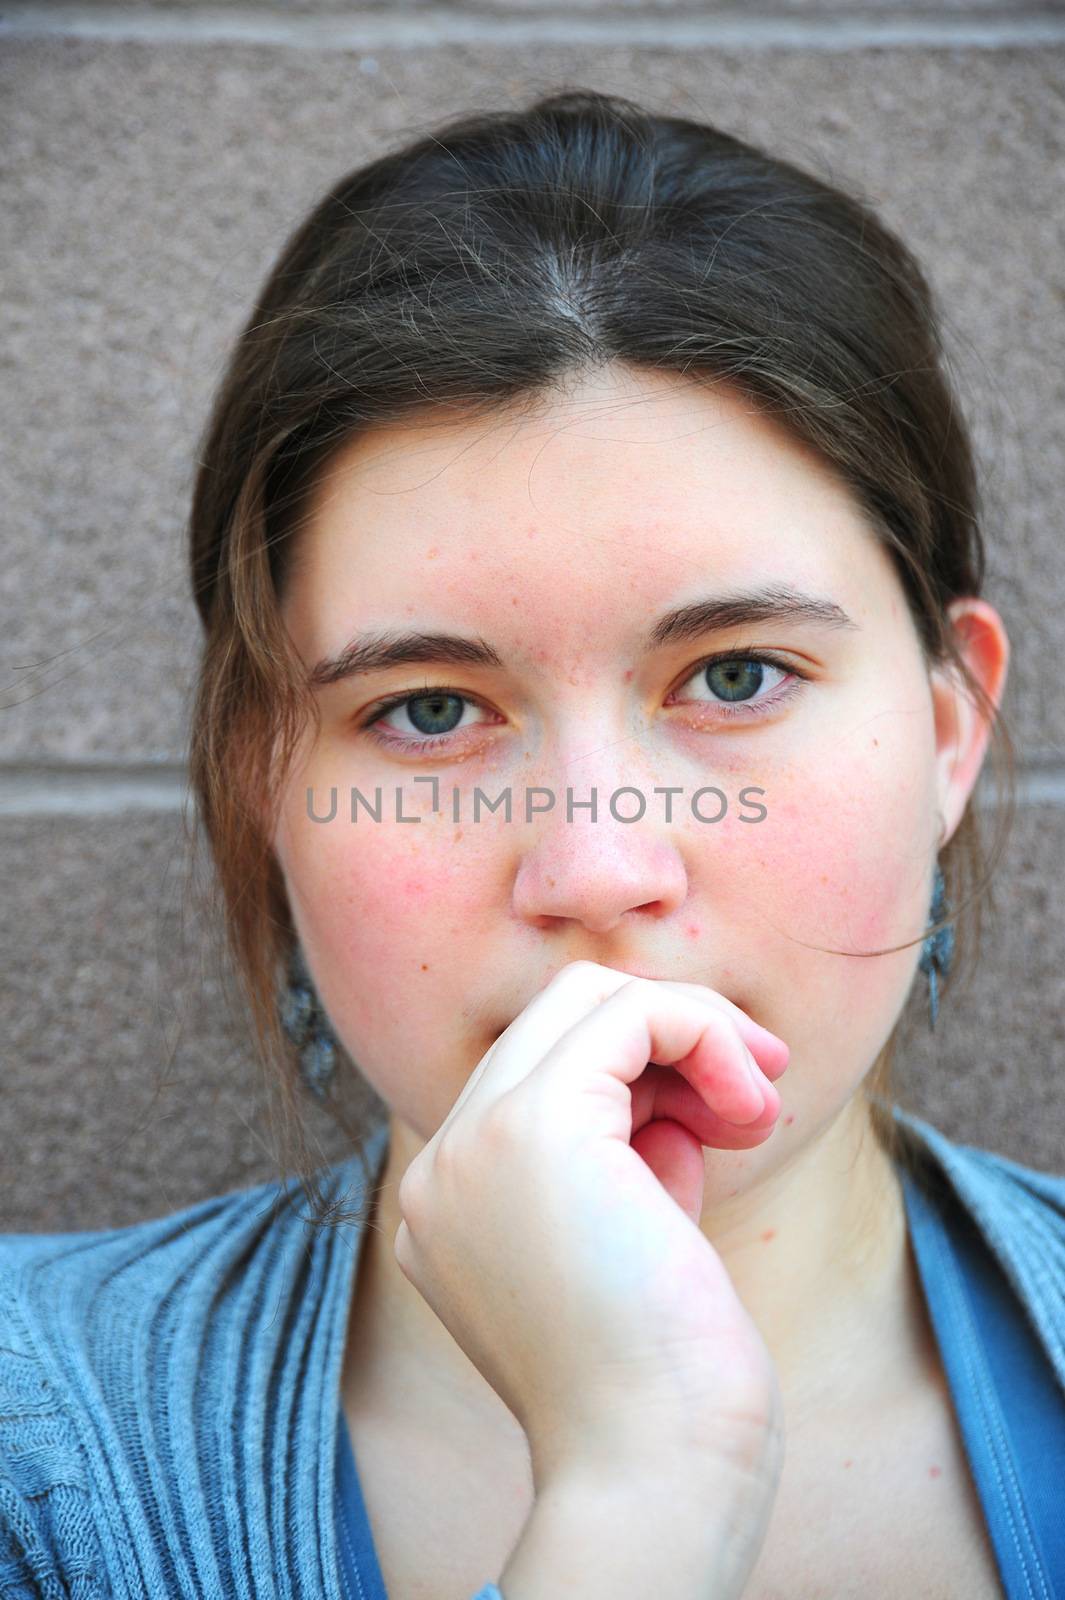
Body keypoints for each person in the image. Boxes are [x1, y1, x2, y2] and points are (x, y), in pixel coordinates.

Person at [2, 88, 1062, 1600]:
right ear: (257, 779)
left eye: (736, 679)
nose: (595, 866)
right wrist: (643, 1484)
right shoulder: (30, 1461)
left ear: (949, 735)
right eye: (430, 708)